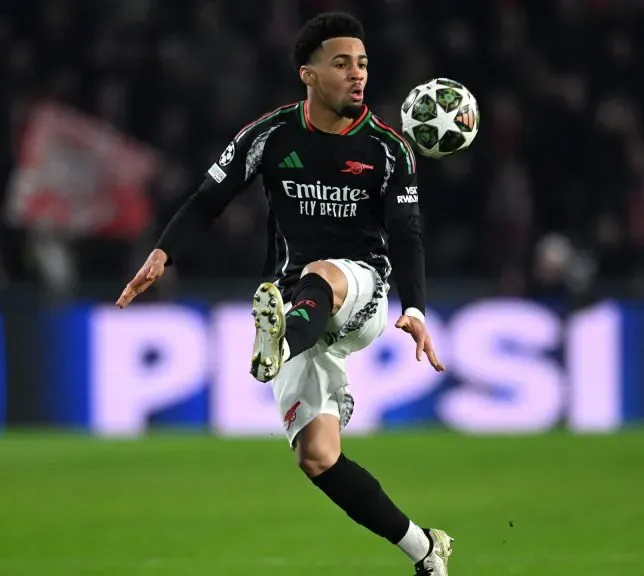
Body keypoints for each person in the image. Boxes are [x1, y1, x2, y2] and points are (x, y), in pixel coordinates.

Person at [115, 12, 453, 575]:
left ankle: (278, 343)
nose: (357, 74)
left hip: (361, 291)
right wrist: (162, 253)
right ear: (308, 74)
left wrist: (414, 307)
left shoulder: (389, 149)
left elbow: (407, 234)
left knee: (323, 273)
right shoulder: (269, 135)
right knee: (317, 457)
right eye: (342, 63)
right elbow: (207, 200)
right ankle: (425, 549)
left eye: (363, 63)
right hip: (299, 305)